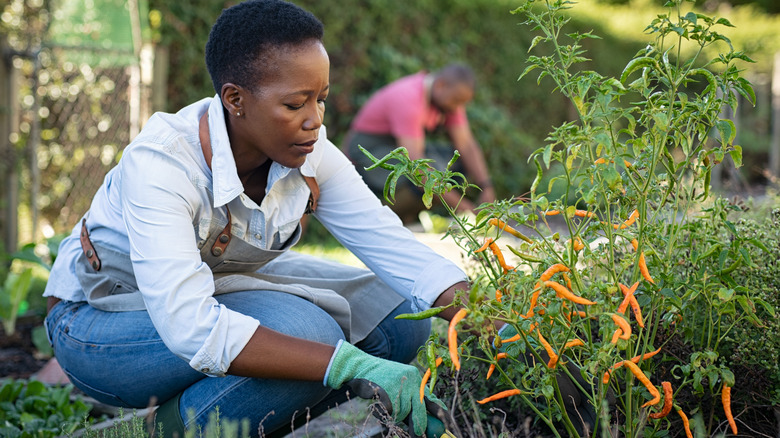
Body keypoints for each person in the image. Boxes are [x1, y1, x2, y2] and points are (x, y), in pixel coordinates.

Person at [42, 1, 469, 437]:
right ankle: (153, 432)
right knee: (312, 337)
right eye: (295, 104)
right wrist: (348, 365)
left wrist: (488, 316)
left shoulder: (309, 152)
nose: (315, 121)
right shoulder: (164, 165)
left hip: (216, 287)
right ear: (235, 99)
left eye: (320, 99)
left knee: (396, 318)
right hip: (98, 323)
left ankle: (223, 419)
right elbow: (189, 327)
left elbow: (390, 245)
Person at [344, 63, 495, 224]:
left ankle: (407, 216)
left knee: (456, 165)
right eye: (457, 100)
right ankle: (375, 219)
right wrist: (464, 208)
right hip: (366, 153)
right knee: (418, 178)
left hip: (395, 148)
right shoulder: (409, 99)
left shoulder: (447, 101)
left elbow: (466, 145)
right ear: (441, 85)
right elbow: (417, 168)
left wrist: (486, 186)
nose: (458, 107)